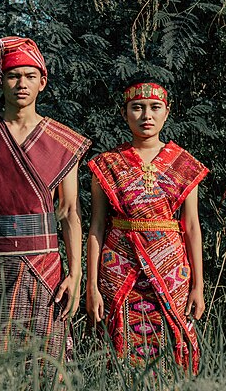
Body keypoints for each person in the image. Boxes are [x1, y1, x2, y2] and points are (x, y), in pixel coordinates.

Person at [0, 36, 91, 375]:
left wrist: (76, 272)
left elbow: (70, 212)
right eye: (13, 75)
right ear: (1, 81)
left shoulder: (62, 141)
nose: (21, 84)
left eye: (29, 75)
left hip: (45, 269)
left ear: (43, 81)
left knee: (44, 366)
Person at [85, 78, 208, 374]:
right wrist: (91, 286)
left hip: (171, 271)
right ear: (125, 112)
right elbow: (97, 226)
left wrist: (198, 286)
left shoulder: (184, 164)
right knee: (118, 342)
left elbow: (191, 227)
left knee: (174, 339)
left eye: (155, 108)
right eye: (137, 108)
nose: (146, 116)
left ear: (167, 112)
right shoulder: (106, 164)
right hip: (118, 267)